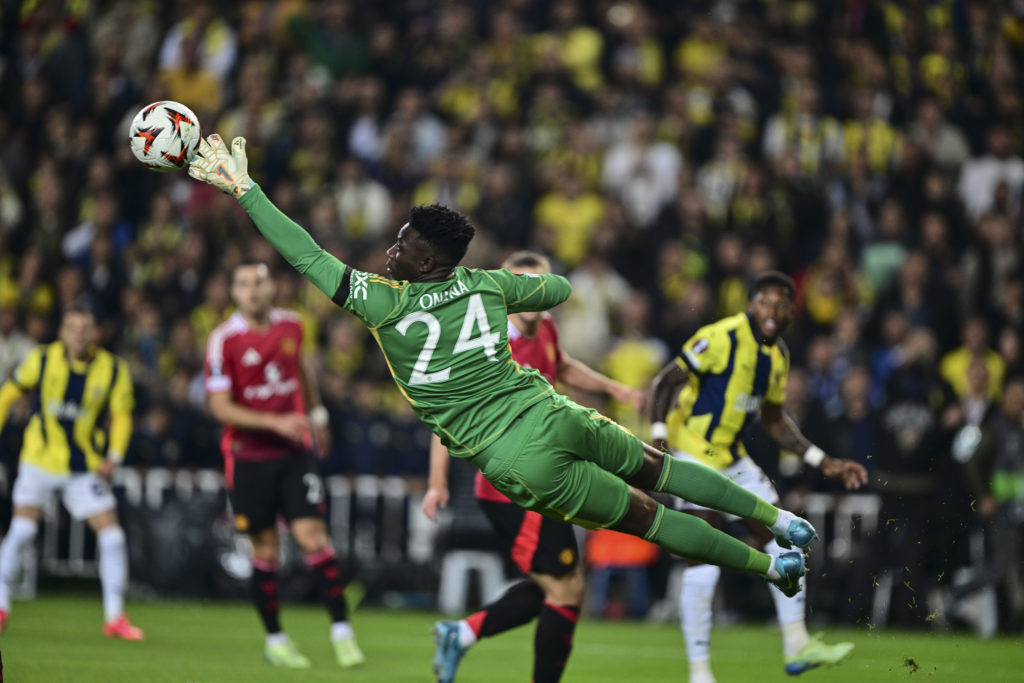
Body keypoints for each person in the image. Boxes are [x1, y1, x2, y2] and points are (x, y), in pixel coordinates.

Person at [189, 133, 816, 672]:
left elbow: (304, 253)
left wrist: (246, 190)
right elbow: (561, 287)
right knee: (662, 470)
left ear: (426, 259)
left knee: (648, 521)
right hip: (556, 415)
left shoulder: (381, 303)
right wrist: (522, 285)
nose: (391, 250)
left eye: (402, 243)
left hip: (517, 458)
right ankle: (781, 523)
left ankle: (770, 570)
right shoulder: (486, 285)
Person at [422, 250, 645, 683]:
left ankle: (461, 633)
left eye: (538, 285)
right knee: (564, 589)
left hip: (546, 479)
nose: (532, 294)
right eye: (522, 284)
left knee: (561, 590)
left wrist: (612, 386)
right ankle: (464, 635)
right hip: (512, 487)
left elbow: (561, 366)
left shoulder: (545, 327)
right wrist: (437, 481)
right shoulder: (486, 342)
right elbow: (445, 413)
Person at [649, 271, 868, 682]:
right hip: (693, 453)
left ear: (791, 311)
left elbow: (773, 419)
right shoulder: (721, 336)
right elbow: (665, 381)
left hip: (732, 457)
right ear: (751, 304)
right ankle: (699, 673)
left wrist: (823, 461)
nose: (773, 310)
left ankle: (797, 645)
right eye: (765, 302)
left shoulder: (778, 356)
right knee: (704, 561)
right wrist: (660, 440)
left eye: (782, 304)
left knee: (789, 537)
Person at [203, 258, 364, 669]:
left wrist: (319, 416)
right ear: (234, 292)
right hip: (248, 458)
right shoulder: (224, 340)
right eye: (243, 284)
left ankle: (342, 632)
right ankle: (276, 639)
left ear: (271, 287)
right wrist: (275, 420)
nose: (252, 290)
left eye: (258, 282)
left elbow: (304, 371)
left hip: (293, 455)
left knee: (314, 537)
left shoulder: (293, 325)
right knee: (266, 549)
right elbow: (220, 407)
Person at [0, 303, 142, 639]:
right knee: (22, 531)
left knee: (112, 536)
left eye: (85, 327)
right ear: (62, 332)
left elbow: (122, 415)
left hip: (83, 466)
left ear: (94, 333)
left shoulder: (112, 369)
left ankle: (115, 618)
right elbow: (8, 394)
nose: (79, 334)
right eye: (73, 327)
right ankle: (2, 606)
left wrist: (115, 455)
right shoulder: (42, 359)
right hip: (40, 459)